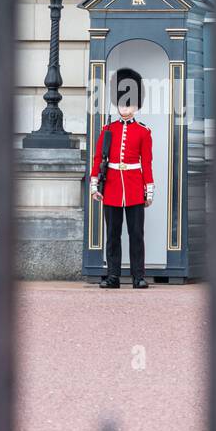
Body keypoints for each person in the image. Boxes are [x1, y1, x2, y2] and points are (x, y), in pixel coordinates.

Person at [89, 68, 154, 289]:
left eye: (129, 104)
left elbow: (146, 162)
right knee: (113, 235)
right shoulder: (108, 129)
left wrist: (149, 189)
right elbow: (99, 158)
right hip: (113, 187)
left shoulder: (144, 132)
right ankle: (113, 276)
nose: (125, 108)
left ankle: (138, 276)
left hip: (135, 186)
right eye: (122, 103)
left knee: (136, 234)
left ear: (136, 106)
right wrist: (95, 184)